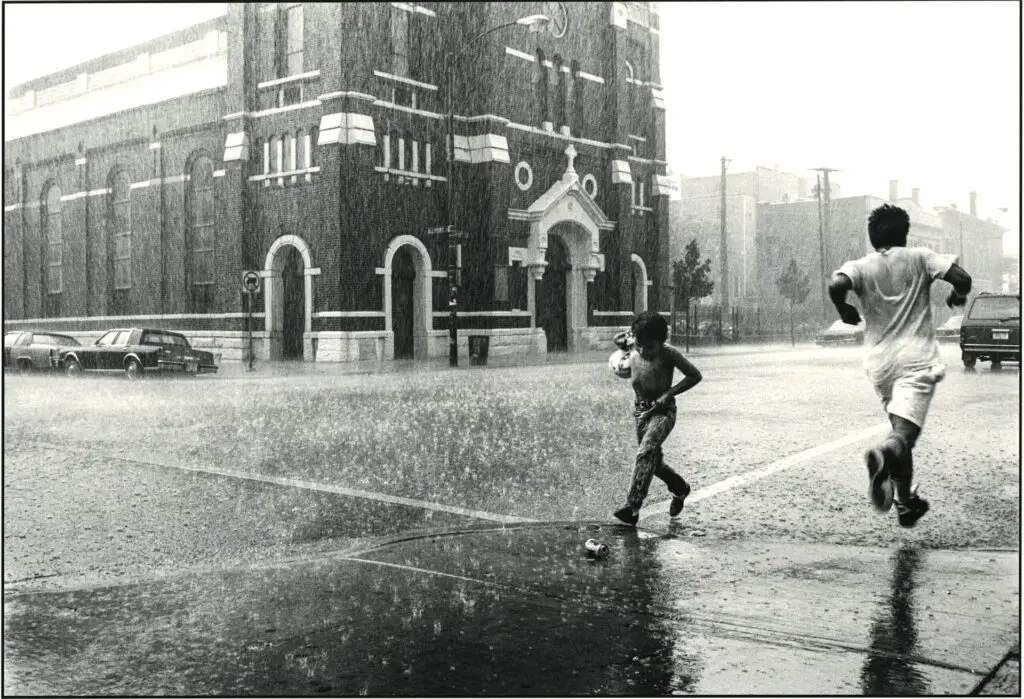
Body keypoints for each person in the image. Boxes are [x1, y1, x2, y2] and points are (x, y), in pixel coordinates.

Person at [828, 204, 972, 527]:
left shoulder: (862, 265)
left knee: (900, 434)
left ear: (872, 236)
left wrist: (844, 310)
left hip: (879, 366)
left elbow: (836, 284)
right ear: (904, 235)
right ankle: (883, 454)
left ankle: (906, 505)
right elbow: (963, 278)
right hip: (915, 361)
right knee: (901, 438)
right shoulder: (920, 257)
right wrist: (955, 296)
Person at [610, 310, 703, 526]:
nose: (644, 351)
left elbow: (694, 375)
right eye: (640, 345)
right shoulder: (634, 347)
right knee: (653, 463)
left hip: (663, 412)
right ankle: (680, 488)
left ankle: (632, 507)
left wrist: (669, 393)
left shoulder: (669, 354)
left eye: (650, 347)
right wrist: (628, 337)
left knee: (645, 451)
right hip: (640, 412)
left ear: (661, 342)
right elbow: (619, 341)